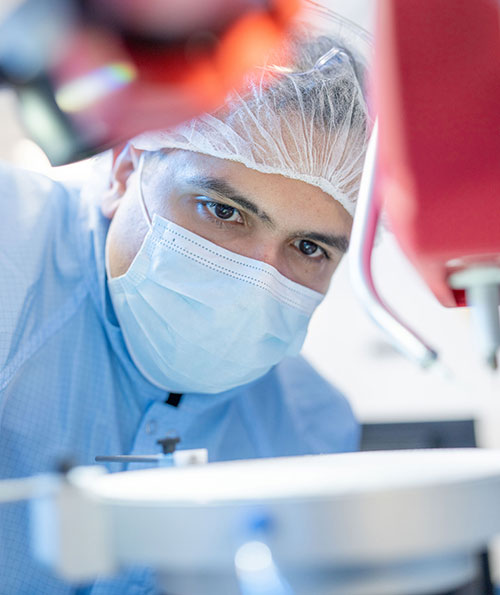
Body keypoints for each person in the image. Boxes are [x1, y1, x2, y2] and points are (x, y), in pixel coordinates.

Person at [0, 8, 370, 594]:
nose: (257, 278)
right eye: (224, 211)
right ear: (125, 170)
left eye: (308, 248)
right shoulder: (10, 259)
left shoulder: (309, 433)